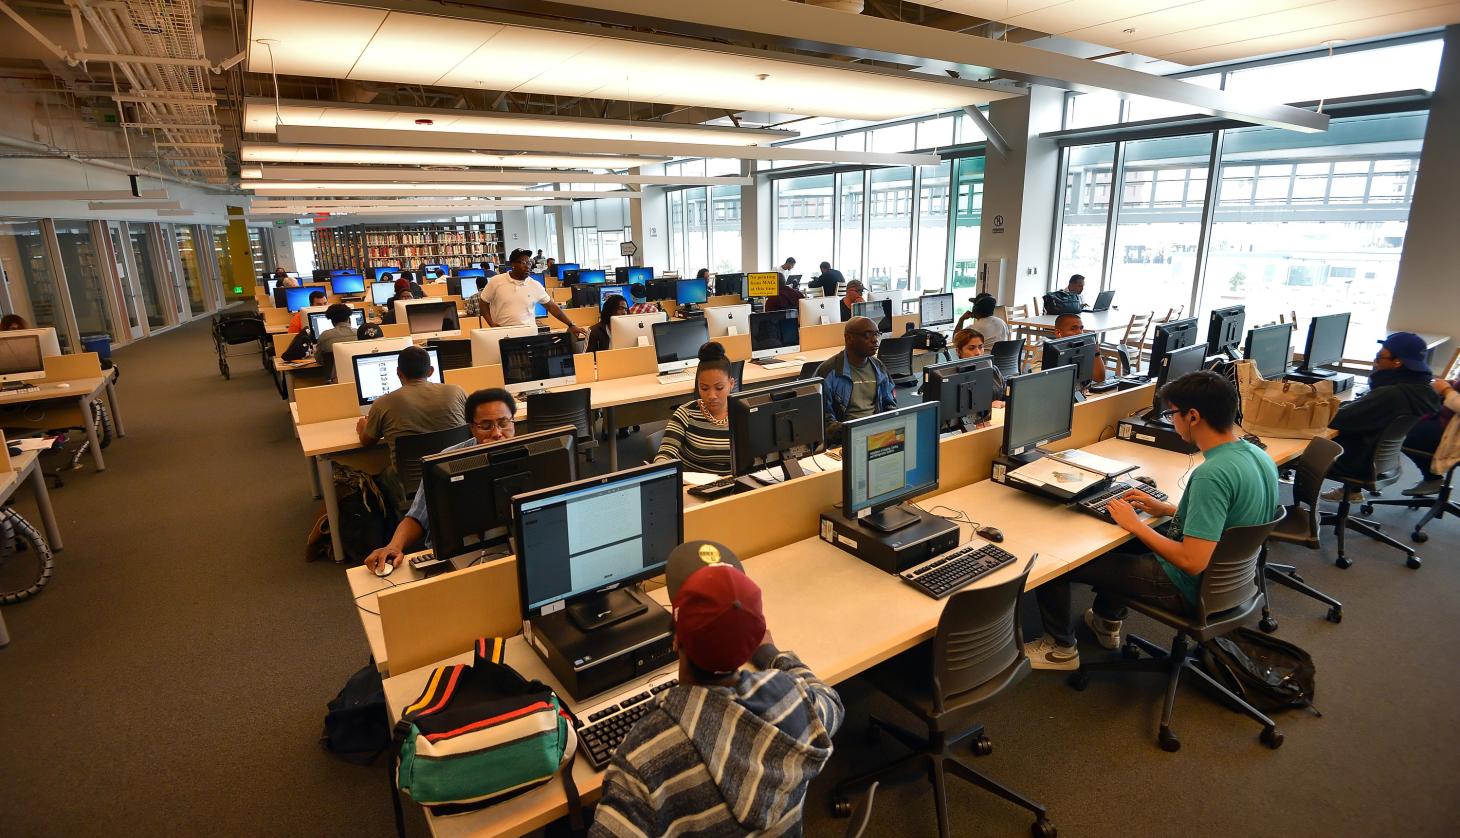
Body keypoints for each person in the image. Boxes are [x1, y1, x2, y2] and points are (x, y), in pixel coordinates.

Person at [1025, 371, 1279, 669]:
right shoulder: (1255, 453)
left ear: (1193, 417)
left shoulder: (1213, 474)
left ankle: (1060, 649)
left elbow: (1192, 561)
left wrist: (1136, 524)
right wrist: (1169, 509)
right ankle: (1107, 622)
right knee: (1120, 546)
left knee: (1062, 562)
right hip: (1230, 581)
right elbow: (1234, 517)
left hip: (1186, 586)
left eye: (1172, 414)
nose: (1172, 421)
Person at [590, 540, 843, 838]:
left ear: (675, 640)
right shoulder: (791, 699)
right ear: (754, 638)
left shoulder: (644, 758)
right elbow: (831, 703)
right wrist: (772, 655)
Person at [363, 388, 517, 572]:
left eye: (503, 423)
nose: (497, 433)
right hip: (460, 556)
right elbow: (418, 516)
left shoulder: (536, 452)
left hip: (516, 549)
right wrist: (394, 545)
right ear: (472, 428)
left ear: (513, 421)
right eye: (486, 426)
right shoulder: (447, 461)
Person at [1322, 332, 1442, 502]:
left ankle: (1295, 507)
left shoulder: (1391, 395)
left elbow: (1335, 419)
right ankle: (1352, 491)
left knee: (1293, 444)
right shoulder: (1424, 391)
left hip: (1352, 461)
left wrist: (1327, 406)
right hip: (1375, 459)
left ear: (1397, 362)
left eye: (1379, 357)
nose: (1374, 362)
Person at [355, 345, 467, 466]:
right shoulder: (456, 391)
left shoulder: (382, 403)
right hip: (457, 474)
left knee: (380, 475)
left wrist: (363, 427)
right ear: (431, 371)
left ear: (398, 372)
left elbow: (367, 442)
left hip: (413, 483)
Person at [654, 342, 735, 475]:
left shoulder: (744, 412)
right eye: (704, 388)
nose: (712, 396)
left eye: (719, 388)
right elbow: (666, 452)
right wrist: (661, 466)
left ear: (731, 384)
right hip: (693, 488)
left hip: (735, 487)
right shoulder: (686, 413)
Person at [816, 316, 897, 446]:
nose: (875, 340)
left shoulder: (879, 367)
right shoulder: (829, 371)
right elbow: (824, 420)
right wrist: (855, 433)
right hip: (844, 440)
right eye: (867, 335)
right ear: (849, 338)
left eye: (876, 334)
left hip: (877, 436)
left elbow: (889, 403)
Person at [480, 248, 588, 340]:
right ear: (513, 264)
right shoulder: (496, 281)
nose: (527, 266)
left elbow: (552, 307)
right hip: (503, 334)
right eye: (523, 262)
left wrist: (571, 324)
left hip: (529, 335)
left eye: (529, 262)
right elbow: (483, 302)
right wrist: (491, 323)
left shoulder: (534, 285)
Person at [1401, 376, 1460, 496]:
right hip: (1450, 424)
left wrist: (1447, 390)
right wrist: (1453, 385)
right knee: (1409, 424)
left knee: (1408, 438)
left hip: (1455, 435)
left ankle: (1432, 479)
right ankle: (1431, 478)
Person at [951, 327, 1006, 408]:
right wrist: (987, 406)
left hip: (997, 416)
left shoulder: (993, 370)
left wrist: (1003, 403)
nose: (978, 352)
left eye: (980, 347)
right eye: (971, 348)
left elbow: (1007, 396)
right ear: (959, 351)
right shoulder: (953, 377)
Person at [1050, 313, 1106, 385]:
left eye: (1081, 328)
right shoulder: (1045, 352)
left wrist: (1096, 353)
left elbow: (1100, 379)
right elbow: (1042, 382)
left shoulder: (1083, 349)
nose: (1080, 332)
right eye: (1073, 329)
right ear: (1058, 333)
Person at [314, 303, 358, 380]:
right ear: (349, 319)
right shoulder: (359, 333)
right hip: (358, 376)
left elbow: (319, 360)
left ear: (332, 321)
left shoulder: (324, 336)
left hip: (335, 379)